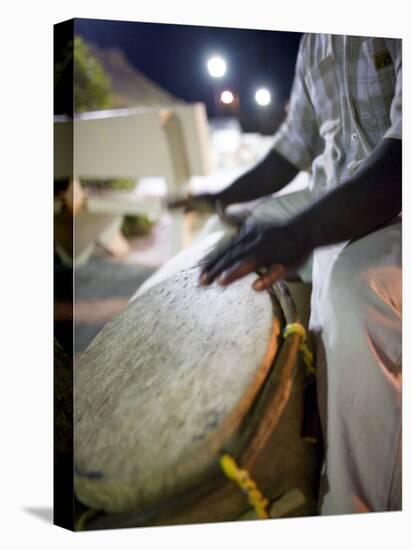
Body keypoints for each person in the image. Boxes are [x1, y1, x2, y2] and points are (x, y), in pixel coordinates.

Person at [169, 33, 402, 515]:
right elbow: (291, 149)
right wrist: (221, 199)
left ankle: (358, 508)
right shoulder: (312, 41)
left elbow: (400, 164)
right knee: (255, 226)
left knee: (356, 289)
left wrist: (302, 233)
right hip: (334, 192)